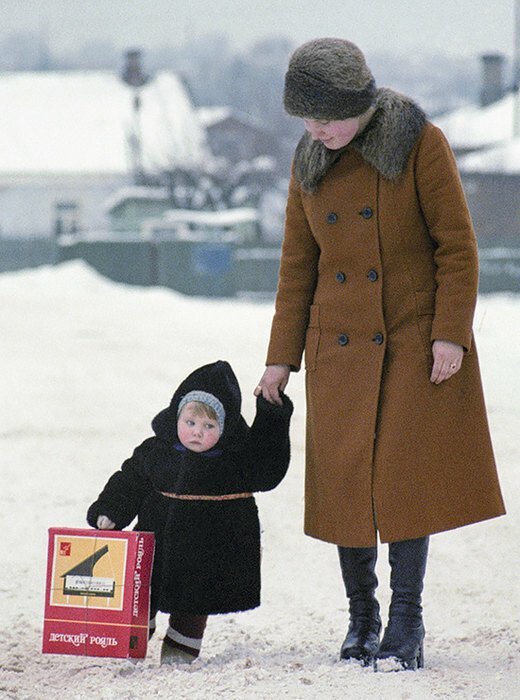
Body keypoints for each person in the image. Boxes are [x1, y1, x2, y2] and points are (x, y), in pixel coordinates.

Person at [255, 38, 505, 671]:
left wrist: (451, 332)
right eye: (306, 119)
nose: (317, 130)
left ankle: (406, 620)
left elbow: (458, 248)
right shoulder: (309, 157)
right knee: (347, 483)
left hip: (410, 340)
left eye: (327, 116)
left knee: (400, 480)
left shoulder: (420, 144)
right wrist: (280, 357)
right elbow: (297, 266)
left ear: (359, 104)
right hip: (338, 344)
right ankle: (360, 617)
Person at [88, 360, 293, 664]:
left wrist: (271, 416)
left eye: (209, 426)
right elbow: (130, 480)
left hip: (209, 553)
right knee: (143, 592)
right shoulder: (157, 450)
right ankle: (136, 636)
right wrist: (111, 510)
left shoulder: (236, 460)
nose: (197, 432)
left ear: (224, 428)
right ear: (177, 417)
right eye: (191, 423)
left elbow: (268, 468)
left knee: (195, 603)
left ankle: (180, 649)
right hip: (159, 543)